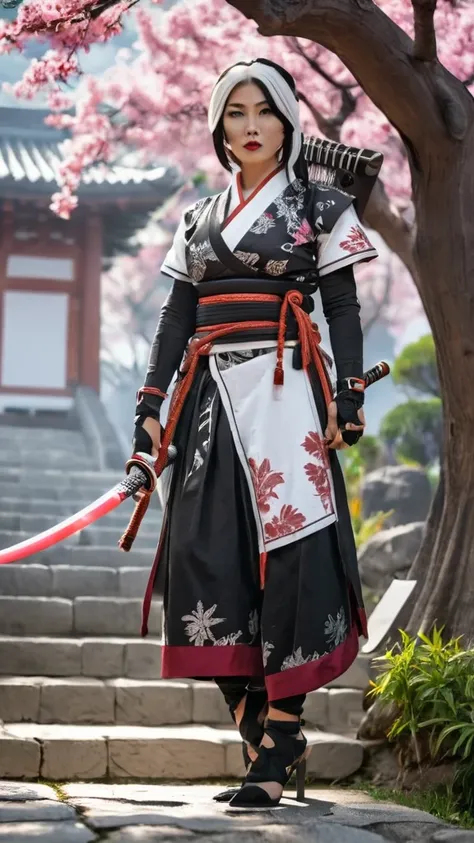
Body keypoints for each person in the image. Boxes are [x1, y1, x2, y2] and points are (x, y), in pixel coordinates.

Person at [131, 58, 378, 808]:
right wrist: (150, 407)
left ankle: (279, 736)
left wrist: (349, 394)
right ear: (217, 126)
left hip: (286, 396)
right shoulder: (197, 220)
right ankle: (259, 720)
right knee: (200, 560)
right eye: (234, 113)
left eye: (263, 111)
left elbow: (342, 306)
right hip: (207, 405)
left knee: (295, 560)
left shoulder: (322, 207)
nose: (248, 126)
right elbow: (176, 317)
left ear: (288, 122)